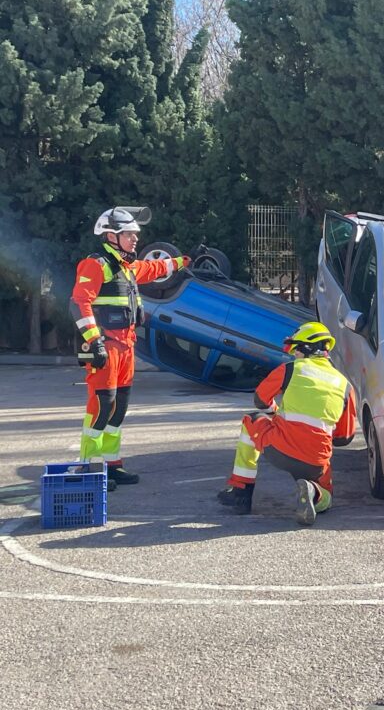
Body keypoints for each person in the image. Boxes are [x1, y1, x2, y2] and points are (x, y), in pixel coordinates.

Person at [70, 207, 190, 491]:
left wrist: (183, 261)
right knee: (102, 407)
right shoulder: (96, 264)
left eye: (136, 234)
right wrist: (94, 340)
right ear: (111, 236)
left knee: (119, 408)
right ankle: (88, 467)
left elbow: (153, 269)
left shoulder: (127, 266)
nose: (135, 239)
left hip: (126, 347)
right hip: (106, 346)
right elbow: (78, 302)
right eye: (129, 234)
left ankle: (112, 465)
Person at [217, 321, 357, 525]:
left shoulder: (291, 369)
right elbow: (344, 438)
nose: (294, 355)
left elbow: (260, 400)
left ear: (306, 348)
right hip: (316, 461)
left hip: (280, 448)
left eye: (296, 349)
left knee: (251, 421)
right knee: (327, 496)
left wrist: (276, 414)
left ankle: (241, 492)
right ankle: (314, 493)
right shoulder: (345, 386)